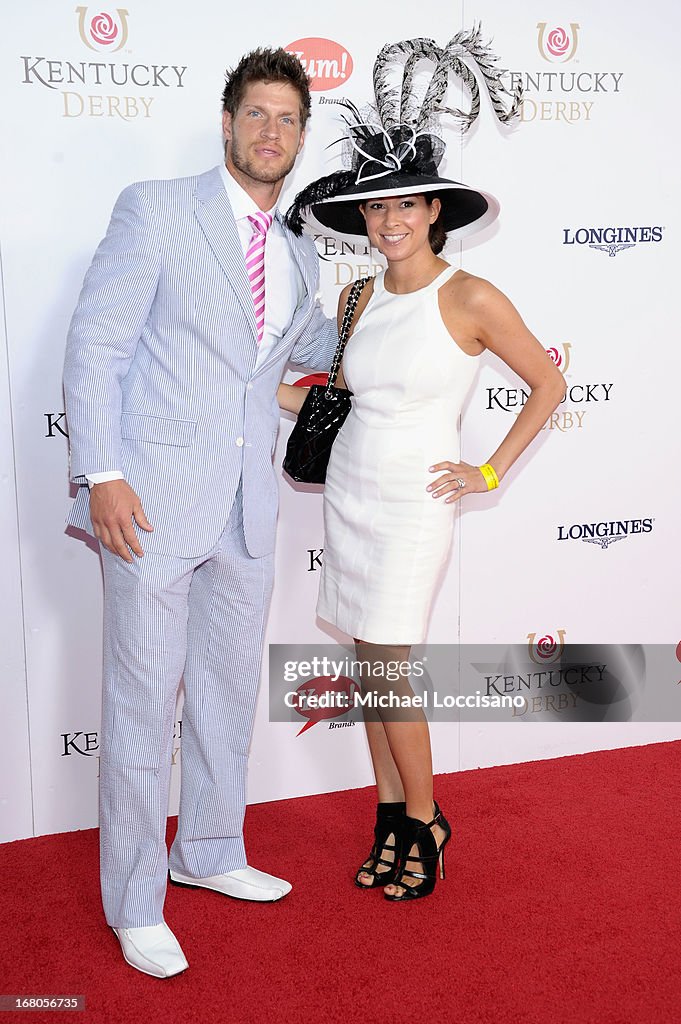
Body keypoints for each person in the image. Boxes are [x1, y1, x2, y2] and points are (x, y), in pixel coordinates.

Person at [63, 48, 338, 977]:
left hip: (247, 506)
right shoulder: (156, 209)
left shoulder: (301, 253)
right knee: (143, 706)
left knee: (224, 698)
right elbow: (97, 343)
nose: (271, 132)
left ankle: (211, 853)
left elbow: (290, 373)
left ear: (302, 137)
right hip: (148, 501)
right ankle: (135, 901)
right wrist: (100, 471)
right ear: (226, 125)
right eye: (255, 115)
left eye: (288, 120)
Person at [279, 33, 566, 901]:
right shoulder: (356, 295)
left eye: (406, 203)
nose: (391, 220)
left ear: (435, 209)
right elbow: (337, 400)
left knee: (391, 665)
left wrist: (487, 472)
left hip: (414, 503)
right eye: (375, 208)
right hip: (353, 496)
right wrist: (247, 391)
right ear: (360, 219)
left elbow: (548, 384)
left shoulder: (470, 297)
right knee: (372, 665)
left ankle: (427, 822)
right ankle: (388, 813)